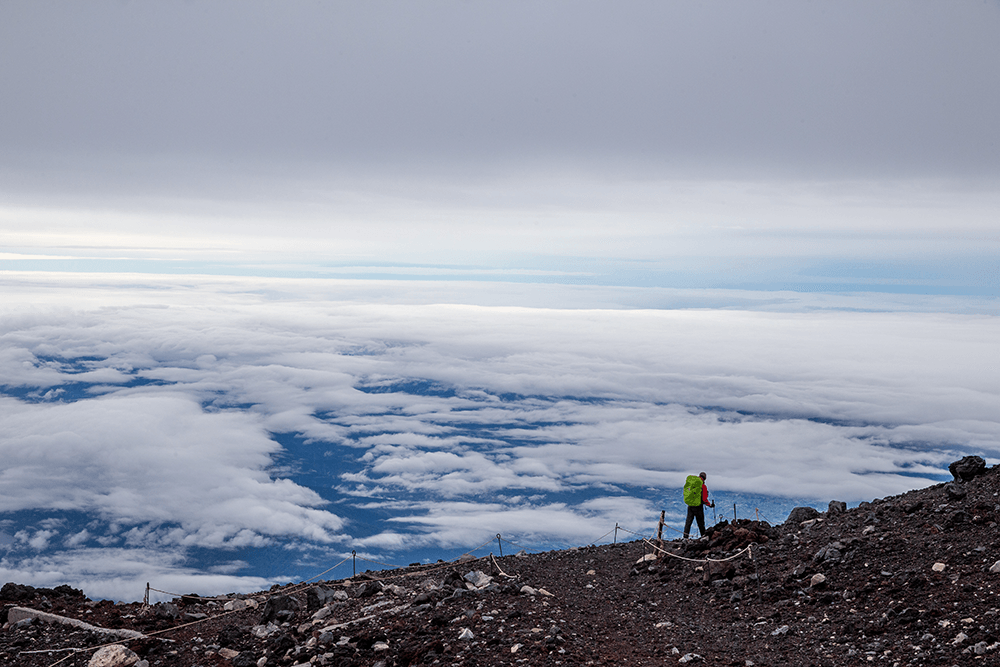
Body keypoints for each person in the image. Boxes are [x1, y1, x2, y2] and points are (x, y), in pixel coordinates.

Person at [683, 472, 715, 539]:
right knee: (700, 522)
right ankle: (703, 536)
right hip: (698, 507)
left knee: (688, 522)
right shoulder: (703, 486)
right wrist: (710, 505)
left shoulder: (692, 484)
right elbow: (704, 499)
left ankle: (685, 537)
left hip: (690, 505)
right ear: (705, 478)